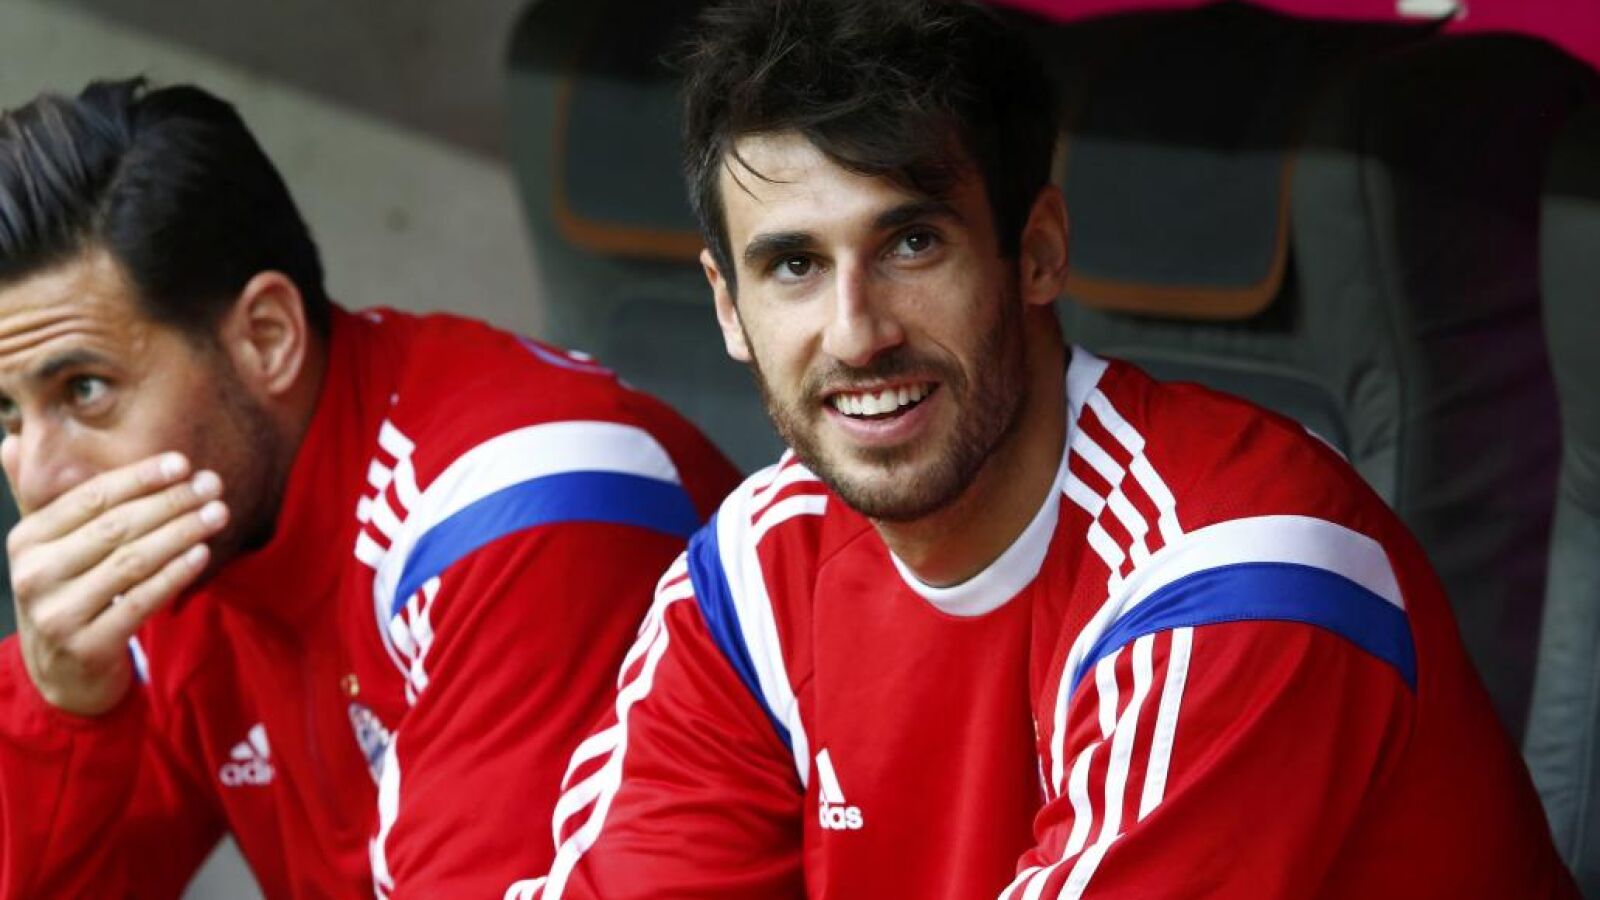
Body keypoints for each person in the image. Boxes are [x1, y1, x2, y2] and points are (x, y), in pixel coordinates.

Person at [517, 1, 1579, 897]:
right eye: (793, 265)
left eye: (912, 243)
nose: (855, 332)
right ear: (728, 306)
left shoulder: (1238, 572)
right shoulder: (755, 576)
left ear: (1037, 251)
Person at [0, 78, 739, 897]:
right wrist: (61, 705)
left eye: (84, 390)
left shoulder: (518, 508)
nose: (36, 475)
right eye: (7, 412)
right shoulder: (181, 547)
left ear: (266, 339)